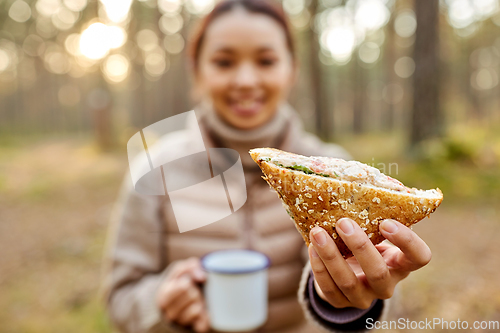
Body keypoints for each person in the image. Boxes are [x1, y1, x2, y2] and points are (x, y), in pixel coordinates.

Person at [101, 0, 432, 332]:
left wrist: (349, 300)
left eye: (266, 60)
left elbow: (378, 297)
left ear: (292, 69)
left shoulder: (340, 176)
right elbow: (120, 297)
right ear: (197, 71)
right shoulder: (156, 169)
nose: (245, 79)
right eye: (224, 62)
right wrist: (160, 301)